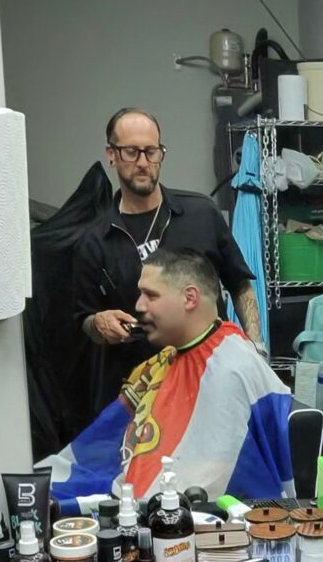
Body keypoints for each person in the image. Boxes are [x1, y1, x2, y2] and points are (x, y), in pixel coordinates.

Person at [46, 246, 292, 503]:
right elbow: (106, 439)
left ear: (189, 298)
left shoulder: (230, 369)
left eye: (151, 295)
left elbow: (206, 478)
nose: (139, 305)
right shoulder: (169, 358)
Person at [71, 106, 263, 413]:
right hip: (141, 399)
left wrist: (257, 350)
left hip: (212, 387)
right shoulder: (93, 240)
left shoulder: (201, 214)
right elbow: (84, 319)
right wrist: (98, 323)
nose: (143, 163)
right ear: (111, 154)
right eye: (131, 152)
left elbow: (240, 285)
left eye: (152, 152)